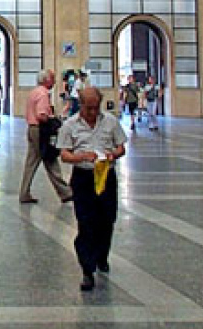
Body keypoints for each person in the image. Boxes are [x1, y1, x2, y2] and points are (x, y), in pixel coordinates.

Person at [58, 86, 127, 292]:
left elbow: (122, 147)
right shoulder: (70, 125)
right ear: (80, 105)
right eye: (88, 108)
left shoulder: (110, 122)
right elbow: (64, 154)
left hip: (106, 176)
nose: (93, 112)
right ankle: (87, 269)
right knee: (86, 223)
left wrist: (113, 154)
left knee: (107, 220)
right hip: (83, 178)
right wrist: (82, 156)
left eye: (96, 108)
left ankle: (101, 255)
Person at [19, 69, 74, 204]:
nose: (55, 81)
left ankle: (24, 192)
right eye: (53, 78)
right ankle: (65, 192)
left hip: (32, 128)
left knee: (31, 162)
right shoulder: (43, 94)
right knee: (50, 158)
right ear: (46, 80)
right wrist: (53, 120)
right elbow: (41, 115)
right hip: (41, 130)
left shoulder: (34, 92)